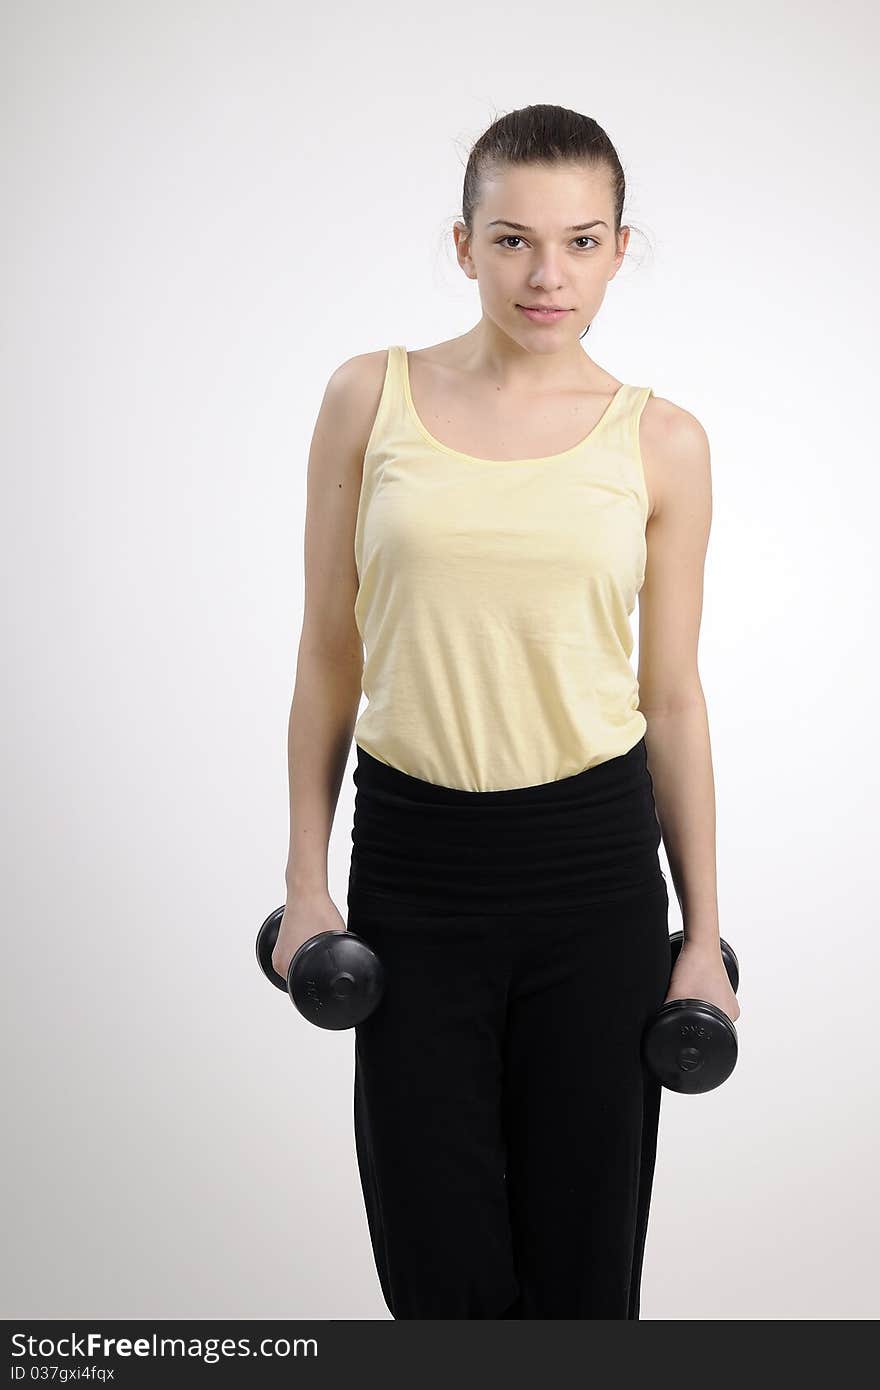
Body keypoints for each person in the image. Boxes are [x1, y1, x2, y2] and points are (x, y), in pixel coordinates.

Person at [274, 103, 741, 1320]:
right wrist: (308, 880)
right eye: (513, 239)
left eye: (581, 242)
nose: (547, 275)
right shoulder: (364, 397)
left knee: (584, 1279)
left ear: (618, 249)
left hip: (594, 876)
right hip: (416, 875)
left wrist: (700, 935)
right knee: (438, 1277)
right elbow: (330, 651)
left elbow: (673, 698)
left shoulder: (665, 441)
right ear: (462, 242)